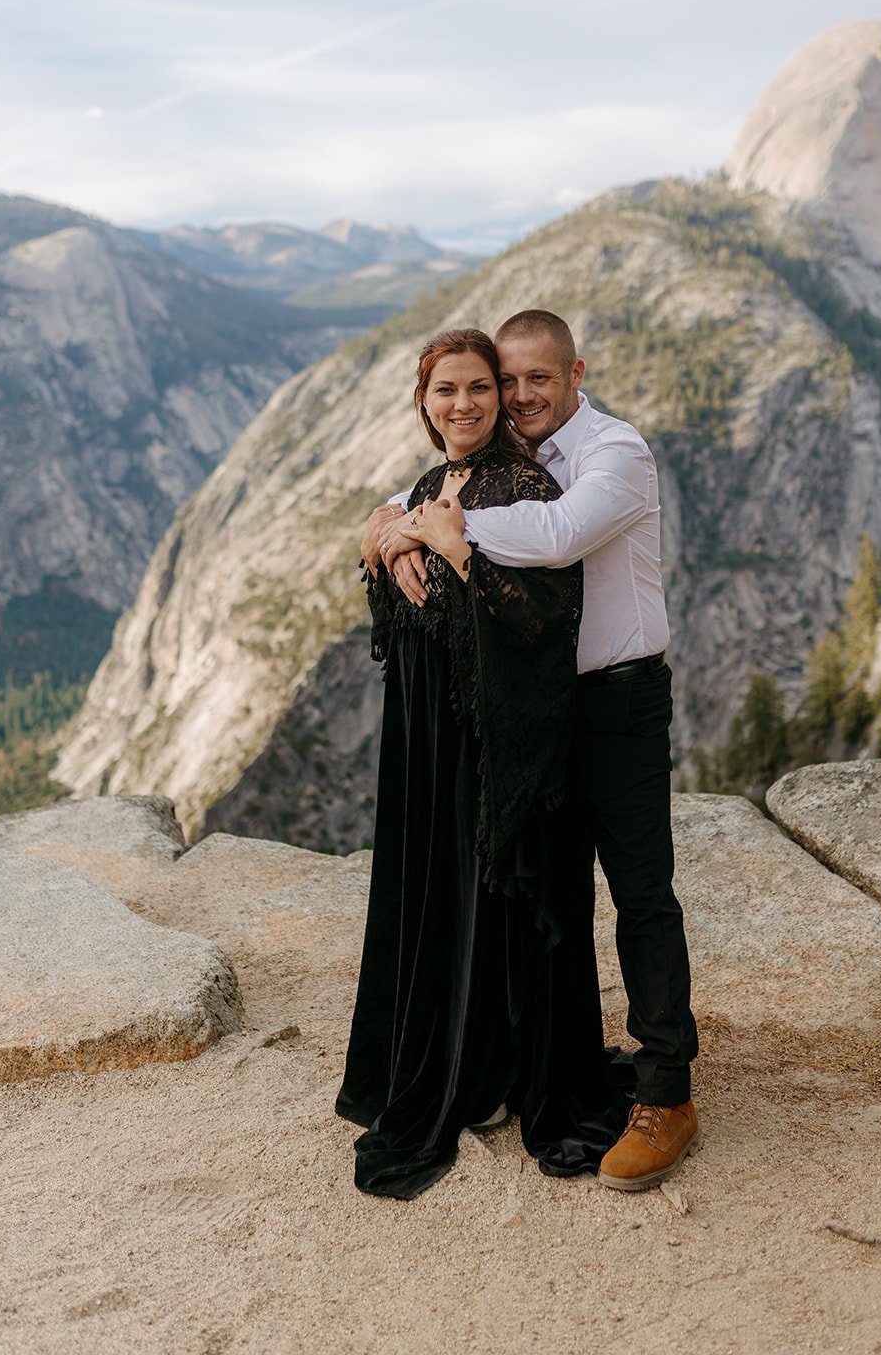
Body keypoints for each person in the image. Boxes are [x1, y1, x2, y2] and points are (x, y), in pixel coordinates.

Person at [377, 309, 700, 1192]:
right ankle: (544, 1061)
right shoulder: (518, 458)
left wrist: (441, 532)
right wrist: (391, 522)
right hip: (540, 711)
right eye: (505, 380)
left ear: (574, 372)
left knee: (639, 891)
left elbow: (555, 539)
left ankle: (667, 1091)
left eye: (534, 379)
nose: (517, 396)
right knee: (548, 895)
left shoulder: (614, 455)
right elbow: (442, 486)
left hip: (618, 702)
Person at [336, 326, 626, 1200]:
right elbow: (392, 574)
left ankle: (501, 1064)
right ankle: (454, 1051)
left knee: (492, 894)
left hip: (489, 733)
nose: (461, 404)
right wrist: (387, 542)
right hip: (425, 728)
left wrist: (457, 557)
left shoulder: (522, 481)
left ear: (499, 399)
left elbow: (546, 612)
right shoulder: (430, 485)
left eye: (476, 388)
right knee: (439, 887)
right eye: (443, 392)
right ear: (422, 405)